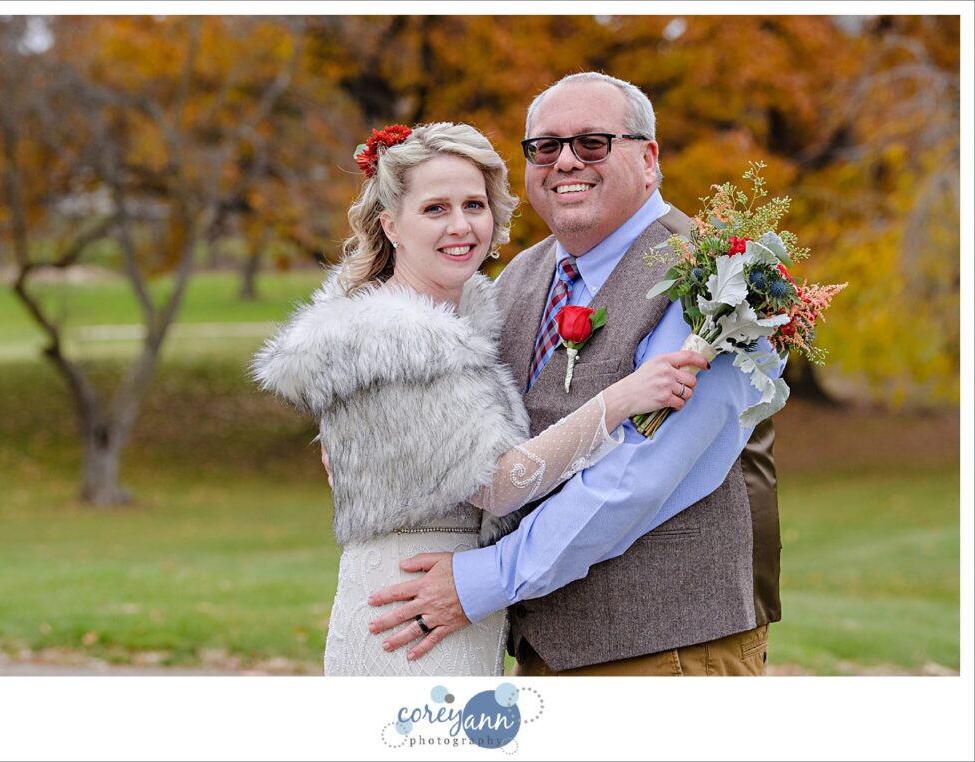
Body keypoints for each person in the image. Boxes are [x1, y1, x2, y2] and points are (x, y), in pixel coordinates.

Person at [252, 121, 709, 676]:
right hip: (410, 608)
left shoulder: (469, 318)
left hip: (453, 603)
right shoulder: (403, 339)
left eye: (474, 205)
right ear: (391, 224)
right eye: (435, 209)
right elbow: (497, 485)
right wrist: (620, 398)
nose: (461, 225)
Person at [367, 73, 783, 676]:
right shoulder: (518, 279)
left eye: (592, 142)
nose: (565, 161)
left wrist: (485, 580)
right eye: (544, 147)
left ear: (648, 159)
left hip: (665, 649)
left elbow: (637, 476)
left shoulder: (719, 282)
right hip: (540, 644)